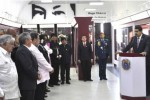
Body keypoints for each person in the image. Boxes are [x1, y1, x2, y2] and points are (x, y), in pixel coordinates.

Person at [122, 25, 150, 95]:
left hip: (145, 61)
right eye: (135, 31)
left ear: (141, 31)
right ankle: (139, 90)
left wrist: (145, 52)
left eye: (137, 31)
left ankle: (147, 92)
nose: (135, 33)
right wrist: (122, 52)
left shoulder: (147, 38)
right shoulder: (133, 38)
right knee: (138, 76)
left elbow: (148, 46)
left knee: (146, 77)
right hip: (136, 62)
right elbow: (129, 46)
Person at [29, 33, 54, 100]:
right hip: (40, 74)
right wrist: (50, 68)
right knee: (39, 94)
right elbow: (41, 60)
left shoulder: (35, 47)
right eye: (38, 39)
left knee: (40, 93)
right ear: (34, 40)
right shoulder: (33, 49)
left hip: (41, 73)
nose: (40, 40)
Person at [15, 32, 39, 100]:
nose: (31, 41)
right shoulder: (22, 50)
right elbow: (28, 67)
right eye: (30, 39)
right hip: (26, 83)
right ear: (26, 40)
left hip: (29, 82)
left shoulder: (25, 49)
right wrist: (36, 75)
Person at [0, 34, 20, 100]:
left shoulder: (8, 54)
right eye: (11, 44)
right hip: (4, 94)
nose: (14, 46)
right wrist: (0, 93)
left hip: (13, 92)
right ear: (4, 44)